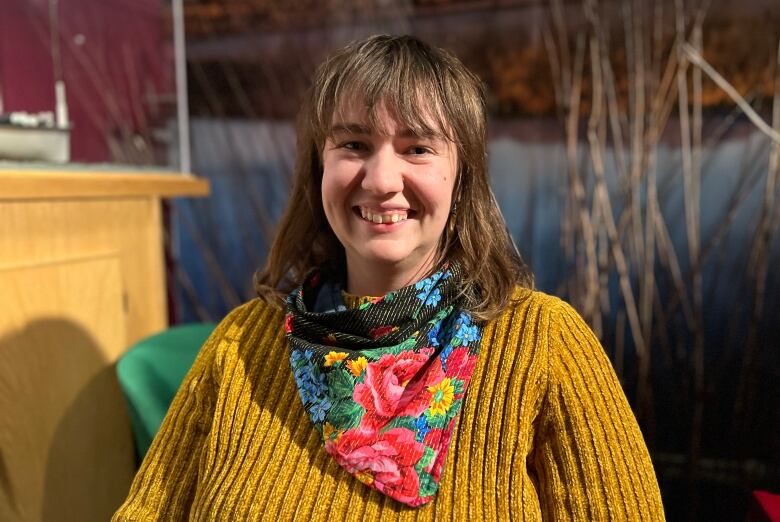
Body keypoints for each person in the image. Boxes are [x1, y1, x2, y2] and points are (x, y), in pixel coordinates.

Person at [113, 35, 665, 520]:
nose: (381, 180)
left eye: (417, 149)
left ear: (461, 175)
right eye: (353, 144)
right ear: (318, 167)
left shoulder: (543, 344)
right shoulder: (242, 343)